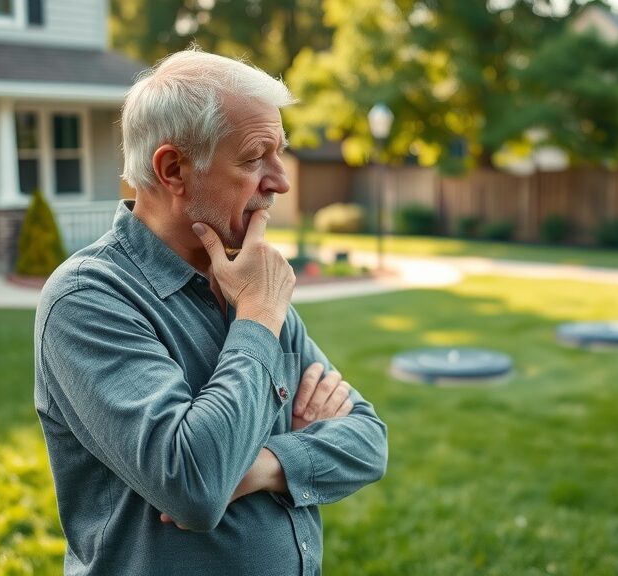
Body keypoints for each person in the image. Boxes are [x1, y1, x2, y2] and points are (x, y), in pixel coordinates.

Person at [34, 48, 388, 575]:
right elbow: (195, 486)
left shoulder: (249, 280)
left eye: (279, 152)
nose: (280, 181)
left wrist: (264, 466)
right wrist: (258, 321)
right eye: (253, 158)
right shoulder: (89, 299)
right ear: (173, 169)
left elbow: (367, 440)